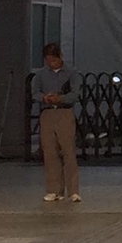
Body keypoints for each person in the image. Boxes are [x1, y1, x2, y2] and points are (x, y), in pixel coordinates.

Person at [36, 43, 80, 203]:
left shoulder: (71, 73)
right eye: (48, 60)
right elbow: (35, 92)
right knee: (50, 152)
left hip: (65, 112)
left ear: (60, 57)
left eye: (53, 60)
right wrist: (44, 98)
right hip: (47, 113)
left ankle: (73, 190)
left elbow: (75, 94)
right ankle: (53, 190)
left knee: (68, 151)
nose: (51, 63)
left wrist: (61, 98)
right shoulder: (41, 74)